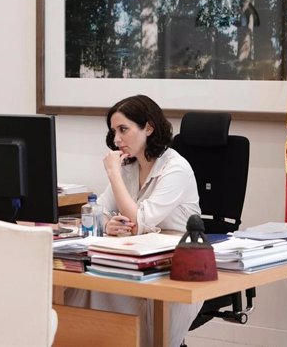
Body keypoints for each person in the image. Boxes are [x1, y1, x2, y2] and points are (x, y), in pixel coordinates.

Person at [64, 94, 203, 347]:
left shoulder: (175, 169)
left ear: (148, 128)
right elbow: (99, 209)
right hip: (134, 255)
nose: (116, 139)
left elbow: (139, 221)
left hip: (172, 264)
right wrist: (107, 224)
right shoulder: (130, 167)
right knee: (82, 283)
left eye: (123, 129)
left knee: (104, 286)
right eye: (113, 131)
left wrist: (113, 173)